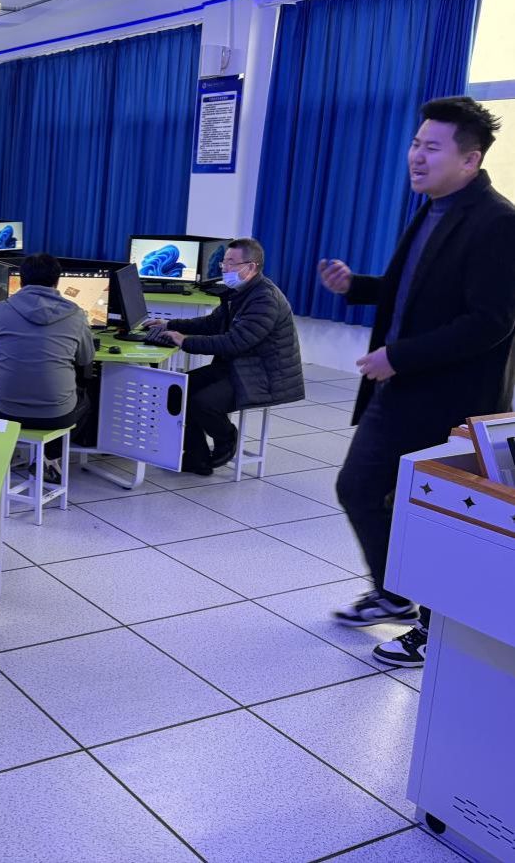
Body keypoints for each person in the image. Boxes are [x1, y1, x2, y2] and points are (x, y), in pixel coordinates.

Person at [319, 96, 515, 667]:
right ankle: (396, 592)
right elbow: (418, 290)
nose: (416, 156)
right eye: (415, 143)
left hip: (449, 400)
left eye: (432, 147)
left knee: (435, 514)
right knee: (361, 489)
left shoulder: (498, 224)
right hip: (403, 389)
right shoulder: (435, 208)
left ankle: (434, 625)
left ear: (470, 160)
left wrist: (398, 357)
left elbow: (491, 322)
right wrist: (357, 286)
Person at [146, 238, 304, 475]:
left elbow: (235, 342)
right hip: (239, 366)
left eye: (231, 263)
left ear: (251, 267)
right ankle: (197, 459)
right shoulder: (239, 292)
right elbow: (212, 323)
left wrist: (185, 341)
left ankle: (227, 437)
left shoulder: (264, 299)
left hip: (263, 375)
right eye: (224, 262)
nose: (224, 268)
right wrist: (170, 324)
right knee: (176, 390)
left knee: (201, 402)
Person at [0, 253, 97, 477]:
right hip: (57, 415)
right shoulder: (77, 314)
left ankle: (6, 455)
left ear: (21, 280)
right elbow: (85, 359)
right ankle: (50, 457)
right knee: (86, 399)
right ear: (57, 281)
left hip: (6, 411)